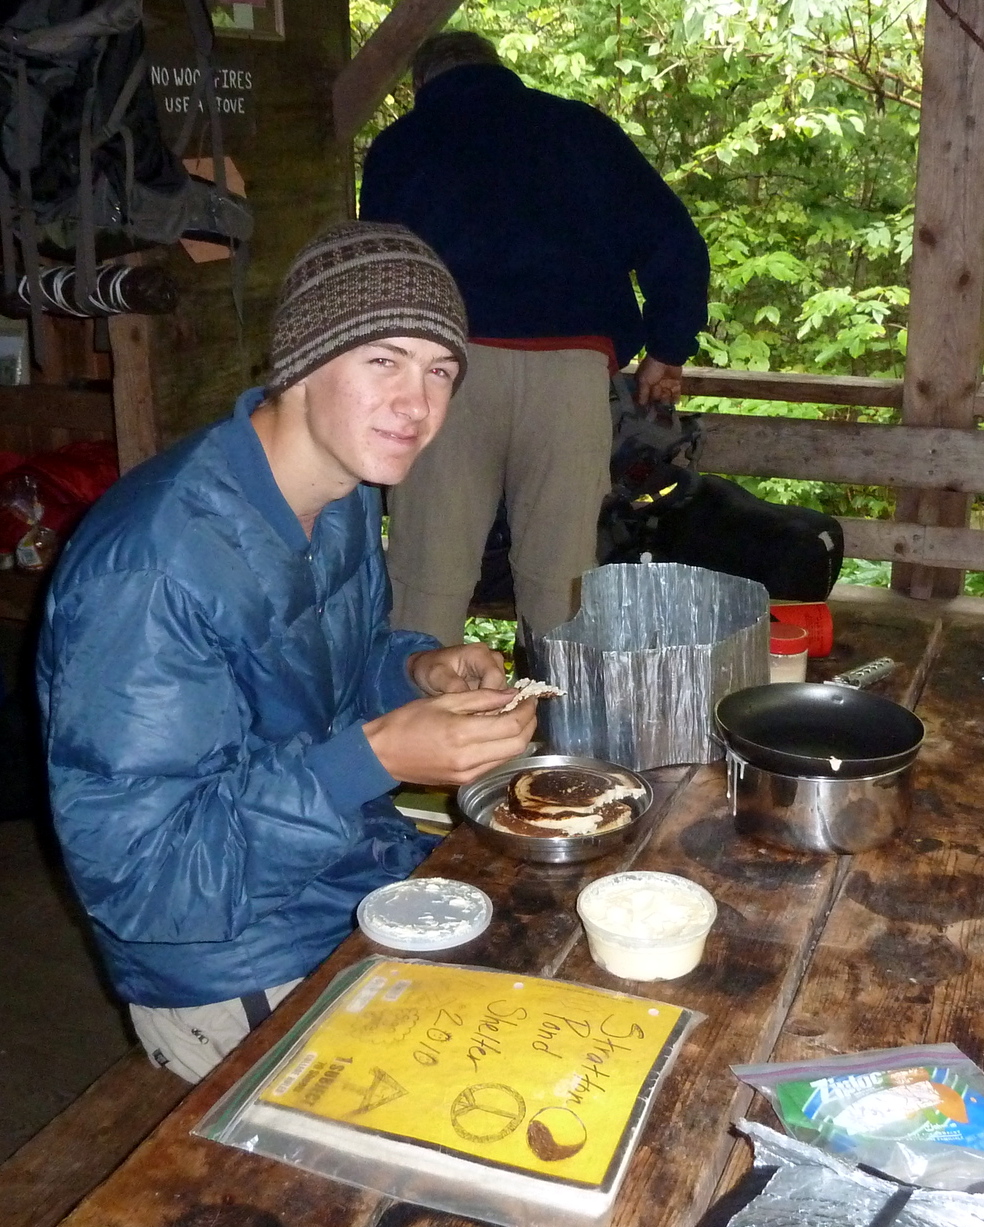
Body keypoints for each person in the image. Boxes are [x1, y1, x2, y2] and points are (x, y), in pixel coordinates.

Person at [36, 221, 538, 1084]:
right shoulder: (153, 568)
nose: (417, 405)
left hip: (347, 874)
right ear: (303, 363)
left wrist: (412, 671)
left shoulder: (339, 494)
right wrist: (378, 758)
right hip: (229, 962)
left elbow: (312, 679)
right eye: (384, 359)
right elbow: (146, 880)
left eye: (440, 370)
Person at [360, 31, 710, 647]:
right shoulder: (582, 131)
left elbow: (380, 277)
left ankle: (424, 727)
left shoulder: (401, 146)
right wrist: (666, 349)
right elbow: (675, 243)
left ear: (422, 86)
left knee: (428, 578)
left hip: (443, 373)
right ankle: (562, 731)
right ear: (498, 70)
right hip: (571, 375)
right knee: (561, 580)